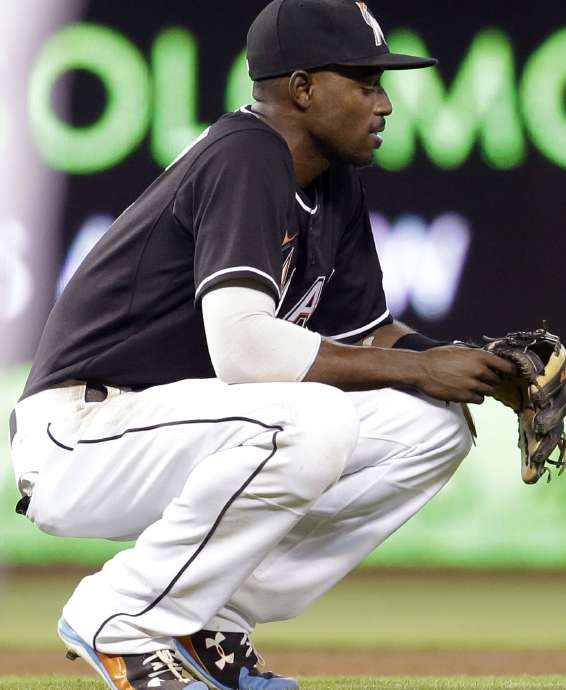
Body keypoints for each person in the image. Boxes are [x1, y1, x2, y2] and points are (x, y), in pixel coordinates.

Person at [6, 1, 518, 689]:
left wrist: (482, 369)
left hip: (181, 427)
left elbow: (366, 335)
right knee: (313, 414)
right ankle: (120, 618)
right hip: (83, 432)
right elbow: (245, 352)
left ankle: (206, 621)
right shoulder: (245, 155)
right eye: (365, 82)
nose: (385, 103)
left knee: (431, 424)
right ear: (302, 88)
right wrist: (418, 366)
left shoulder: (331, 182)